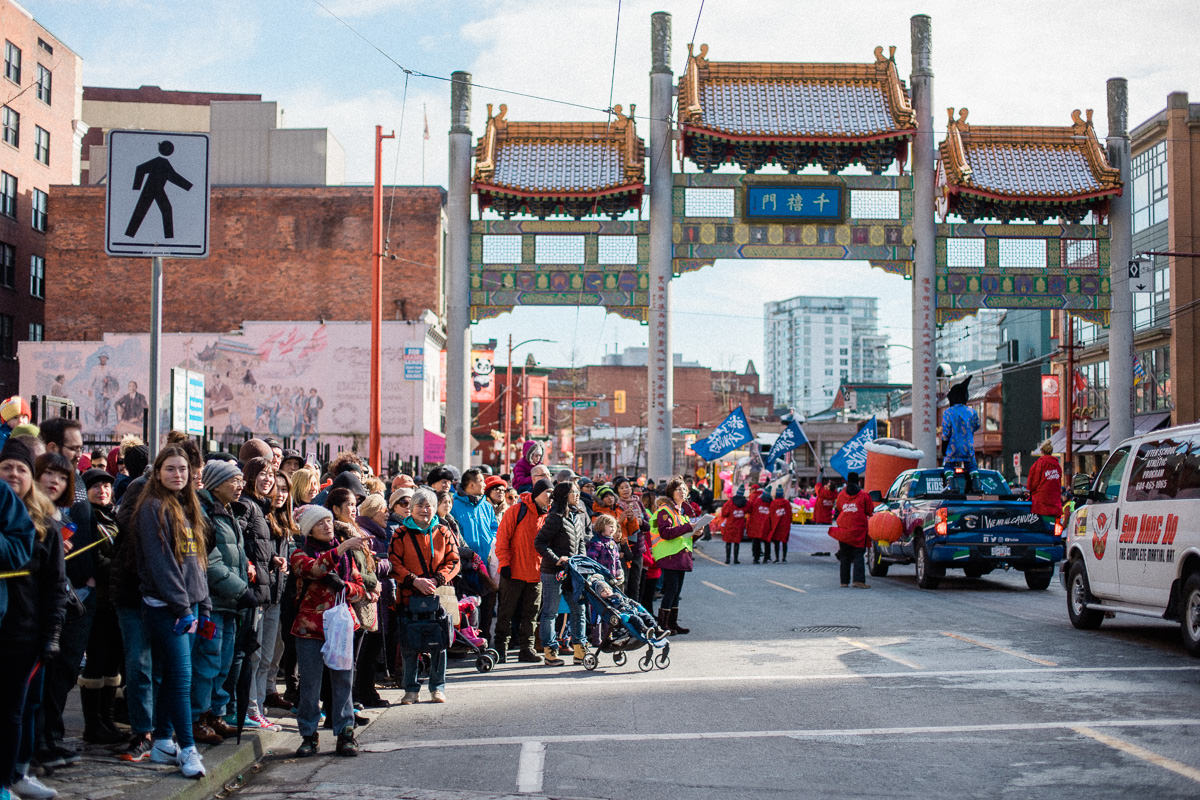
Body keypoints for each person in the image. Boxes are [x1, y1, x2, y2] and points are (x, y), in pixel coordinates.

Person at [133, 445, 212, 779]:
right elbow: (161, 564)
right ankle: (188, 748)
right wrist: (184, 608)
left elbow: (197, 564)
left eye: (182, 469)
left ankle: (163, 740)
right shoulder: (152, 507)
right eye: (170, 469)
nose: (177, 475)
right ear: (157, 472)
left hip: (190, 605)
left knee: (173, 677)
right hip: (167, 608)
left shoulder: (188, 506)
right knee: (181, 678)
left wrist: (203, 605)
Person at [0, 437, 65, 800]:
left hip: (23, 632)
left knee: (14, 710)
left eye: (21, 469)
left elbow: (56, 585)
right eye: (6, 467)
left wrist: (51, 634)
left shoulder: (45, 524)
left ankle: (10, 778)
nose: (13, 474)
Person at [290, 505, 367, 758]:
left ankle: (345, 732)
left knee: (343, 680)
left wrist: (344, 585)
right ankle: (308, 735)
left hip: (342, 626)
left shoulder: (345, 558)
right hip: (309, 627)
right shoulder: (300, 553)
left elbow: (359, 588)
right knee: (310, 684)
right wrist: (342, 547)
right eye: (320, 522)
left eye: (329, 521)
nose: (327, 525)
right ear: (308, 529)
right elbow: (315, 569)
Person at [192, 460, 252, 746]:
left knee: (224, 661)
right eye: (234, 481)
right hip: (213, 602)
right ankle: (198, 717)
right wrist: (241, 589)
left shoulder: (228, 512)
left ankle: (216, 712)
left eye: (241, 481)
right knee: (208, 660)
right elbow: (212, 562)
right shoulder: (205, 513)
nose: (239, 486)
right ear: (216, 483)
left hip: (230, 603)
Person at [388, 487, 460, 704]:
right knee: (410, 645)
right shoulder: (400, 534)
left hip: (437, 595)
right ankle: (411, 689)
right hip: (409, 595)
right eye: (419, 505)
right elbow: (394, 563)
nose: (424, 509)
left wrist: (437, 580)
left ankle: (437, 687)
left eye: (428, 505)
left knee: (439, 643)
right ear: (411, 508)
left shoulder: (444, 531)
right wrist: (414, 580)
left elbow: (454, 560)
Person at [237, 457, 285, 731]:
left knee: (264, 656)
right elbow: (241, 542)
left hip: (267, 589)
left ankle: (256, 708)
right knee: (254, 656)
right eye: (262, 475)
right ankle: (249, 709)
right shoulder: (247, 505)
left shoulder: (263, 508)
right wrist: (250, 564)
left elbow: (259, 546)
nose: (268, 480)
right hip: (253, 592)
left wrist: (274, 559)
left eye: (270, 475)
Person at [77, 468, 125, 747]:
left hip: (116, 602)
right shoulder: (87, 519)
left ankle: (107, 719)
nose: (102, 490)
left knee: (112, 663)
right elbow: (95, 560)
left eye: (107, 485)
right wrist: (123, 570)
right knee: (96, 662)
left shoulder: (114, 517)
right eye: (96, 486)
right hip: (97, 604)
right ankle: (93, 724)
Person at [492, 478, 552, 664]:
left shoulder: (549, 516)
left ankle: (527, 649)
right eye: (547, 493)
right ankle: (500, 648)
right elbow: (502, 539)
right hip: (514, 571)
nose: (550, 497)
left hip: (536, 574)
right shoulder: (517, 511)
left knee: (531, 615)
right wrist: (505, 564)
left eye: (552, 493)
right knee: (506, 613)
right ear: (537, 493)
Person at [534, 481, 589, 666]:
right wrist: (557, 558)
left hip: (574, 572)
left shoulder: (578, 515)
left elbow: (581, 542)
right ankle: (550, 651)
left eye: (578, 492)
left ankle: (580, 649)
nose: (578, 495)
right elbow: (540, 543)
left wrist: (582, 563)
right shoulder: (555, 516)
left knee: (579, 609)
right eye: (574, 492)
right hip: (553, 572)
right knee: (550, 611)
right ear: (564, 495)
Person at [649, 477, 706, 635]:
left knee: (676, 592)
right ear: (671, 493)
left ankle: (672, 623)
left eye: (684, 489)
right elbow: (666, 533)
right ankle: (662, 625)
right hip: (669, 556)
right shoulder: (665, 511)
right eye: (678, 489)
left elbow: (684, 536)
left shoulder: (680, 513)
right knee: (670, 590)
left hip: (680, 556)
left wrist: (696, 533)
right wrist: (688, 527)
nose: (682, 492)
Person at [353, 493, 392, 708]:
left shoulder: (378, 533)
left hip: (380, 597)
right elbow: (371, 566)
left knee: (372, 648)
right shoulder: (367, 534)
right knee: (366, 650)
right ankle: (362, 692)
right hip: (370, 597)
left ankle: (367, 692)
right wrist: (388, 564)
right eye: (382, 509)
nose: (386, 513)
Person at [450, 469, 499, 640]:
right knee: (468, 605)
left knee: (488, 604)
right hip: (466, 565)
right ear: (471, 484)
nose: (485, 485)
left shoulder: (486, 505)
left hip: (487, 563)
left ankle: (484, 639)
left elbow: (494, 528)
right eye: (481, 481)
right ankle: (465, 641)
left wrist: (491, 543)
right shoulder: (454, 505)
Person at [586, 514, 624, 645]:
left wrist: (619, 573)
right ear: (602, 527)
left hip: (611, 581)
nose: (613, 529)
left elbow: (617, 560)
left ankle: (608, 635)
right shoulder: (597, 543)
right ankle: (596, 637)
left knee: (610, 608)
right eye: (610, 526)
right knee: (597, 609)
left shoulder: (612, 542)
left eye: (614, 526)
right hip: (600, 582)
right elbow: (592, 560)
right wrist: (596, 576)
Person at [833, 471, 874, 589]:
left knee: (845, 555)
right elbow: (869, 511)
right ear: (858, 481)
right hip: (858, 530)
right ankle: (858, 580)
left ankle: (844, 581)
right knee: (858, 554)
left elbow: (838, 509)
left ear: (847, 481)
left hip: (844, 529)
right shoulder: (864, 495)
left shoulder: (841, 495)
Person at [941, 377, 980, 471]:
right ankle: (975, 478)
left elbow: (946, 434)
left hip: (952, 449)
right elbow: (977, 426)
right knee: (972, 466)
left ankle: (949, 481)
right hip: (967, 448)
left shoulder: (948, 412)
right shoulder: (972, 412)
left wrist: (944, 449)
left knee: (948, 466)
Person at [1027, 441, 1064, 526]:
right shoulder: (1057, 465)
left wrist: (1030, 491)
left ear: (1042, 452)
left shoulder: (1039, 463)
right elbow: (1059, 480)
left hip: (1042, 502)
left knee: (1041, 526)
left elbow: (1033, 483)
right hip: (1055, 501)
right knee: (1054, 526)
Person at [719, 485, 748, 564]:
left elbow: (725, 513)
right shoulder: (745, 503)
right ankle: (736, 559)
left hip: (730, 525)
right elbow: (749, 510)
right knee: (737, 542)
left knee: (728, 542)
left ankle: (727, 559)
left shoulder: (730, 502)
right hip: (739, 526)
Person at [746, 484, 772, 565]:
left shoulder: (756, 500)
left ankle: (756, 558)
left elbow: (750, 509)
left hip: (756, 523)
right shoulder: (771, 502)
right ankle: (766, 557)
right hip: (767, 524)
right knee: (767, 541)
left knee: (756, 541)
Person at [768, 485, 792, 563]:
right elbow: (790, 514)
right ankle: (784, 558)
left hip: (776, 525)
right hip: (785, 525)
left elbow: (771, 514)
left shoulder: (773, 503)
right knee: (784, 542)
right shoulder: (787, 503)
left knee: (776, 543)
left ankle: (777, 558)